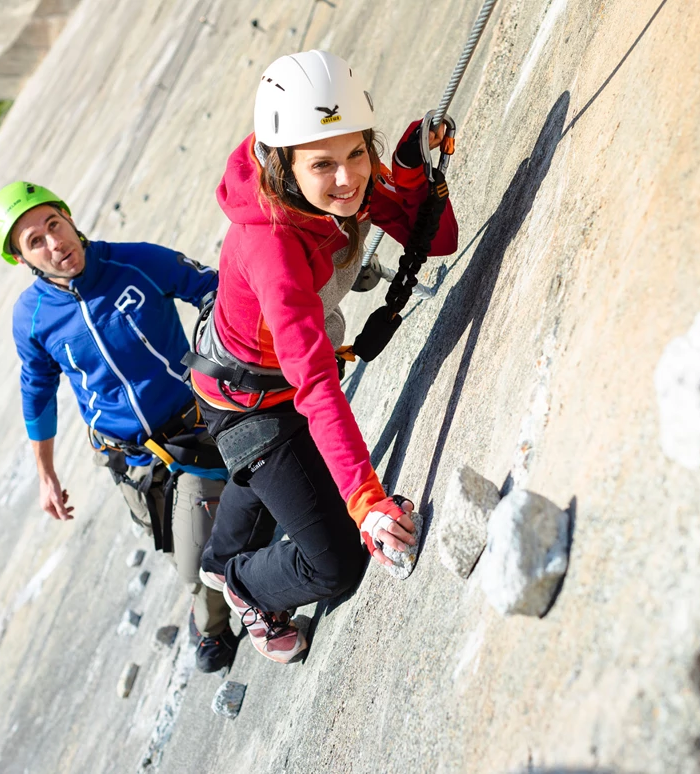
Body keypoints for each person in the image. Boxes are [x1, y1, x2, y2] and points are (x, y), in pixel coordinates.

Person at [189, 50, 459, 663]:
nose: (347, 177)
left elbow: (437, 239)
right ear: (282, 166)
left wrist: (410, 167)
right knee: (335, 561)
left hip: (270, 378)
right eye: (323, 166)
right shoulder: (273, 249)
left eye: (358, 153)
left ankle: (219, 557)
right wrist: (367, 501)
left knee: (292, 477)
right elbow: (314, 387)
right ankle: (243, 585)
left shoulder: (339, 179)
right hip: (254, 404)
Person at [0, 182, 236, 672]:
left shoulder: (135, 260)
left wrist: (225, 366)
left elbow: (213, 288)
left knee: (195, 563)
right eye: (34, 241)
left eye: (53, 225)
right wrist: (46, 473)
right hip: (128, 458)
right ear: (21, 260)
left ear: (68, 217)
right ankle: (214, 585)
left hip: (193, 431)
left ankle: (213, 629)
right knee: (169, 544)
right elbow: (37, 391)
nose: (54, 244)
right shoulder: (31, 319)